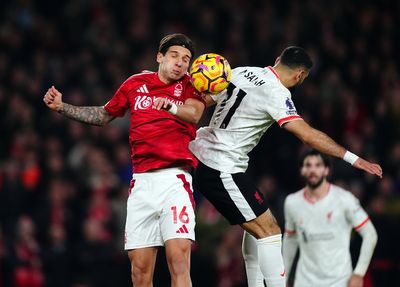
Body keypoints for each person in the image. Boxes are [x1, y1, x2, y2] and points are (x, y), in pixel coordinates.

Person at [189, 46, 382, 287]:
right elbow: (307, 136)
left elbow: (204, 99)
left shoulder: (240, 72)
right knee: (269, 232)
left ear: (277, 59)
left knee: (257, 226)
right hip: (219, 166)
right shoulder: (277, 94)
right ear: (300, 75)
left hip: (204, 154)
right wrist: (354, 158)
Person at [43, 33, 206, 287]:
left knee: (178, 259)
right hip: (141, 184)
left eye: (186, 59)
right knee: (140, 272)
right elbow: (104, 115)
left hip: (176, 181)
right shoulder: (135, 83)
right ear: (159, 57)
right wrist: (63, 107)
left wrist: (171, 107)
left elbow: (195, 113)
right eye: (174, 56)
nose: (180, 63)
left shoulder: (191, 84)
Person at [283, 149, 378, 287]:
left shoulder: (345, 199)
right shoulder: (292, 202)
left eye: (318, 165)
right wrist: (282, 277)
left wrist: (359, 273)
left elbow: (370, 234)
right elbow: (290, 240)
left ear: (327, 170)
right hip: (305, 282)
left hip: (339, 281)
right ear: (302, 170)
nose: (313, 170)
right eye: (308, 165)